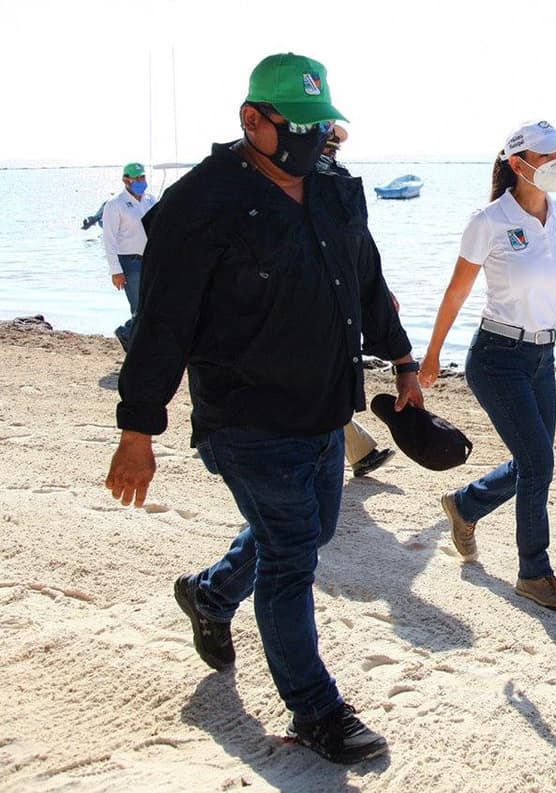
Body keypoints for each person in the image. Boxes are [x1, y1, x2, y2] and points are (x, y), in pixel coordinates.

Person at [105, 53, 422, 764]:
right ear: (252, 119)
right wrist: (138, 429)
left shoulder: (333, 186)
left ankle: (211, 594)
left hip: (325, 405)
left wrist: (403, 360)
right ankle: (316, 710)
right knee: (290, 556)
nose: (313, 139)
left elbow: (366, 279)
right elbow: (163, 325)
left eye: (320, 125)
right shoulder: (201, 202)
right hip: (246, 415)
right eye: (298, 125)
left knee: (312, 530)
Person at [419, 120, 556, 612]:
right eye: (549, 157)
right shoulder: (489, 220)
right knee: (538, 463)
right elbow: (457, 291)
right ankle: (534, 573)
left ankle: (466, 505)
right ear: (519, 164)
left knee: (534, 461)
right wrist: (432, 353)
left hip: (543, 357)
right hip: (496, 358)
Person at [315, 124, 397, 479]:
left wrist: (378, 291)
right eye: (326, 149)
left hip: (332, 308)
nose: (330, 157)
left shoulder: (337, 183)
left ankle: (359, 451)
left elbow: (360, 246)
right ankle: (358, 452)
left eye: (332, 151)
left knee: (325, 384)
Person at [101, 162, 157, 352]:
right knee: (139, 308)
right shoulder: (115, 204)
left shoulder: (150, 200)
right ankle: (135, 343)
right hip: (130, 262)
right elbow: (109, 240)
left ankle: (128, 333)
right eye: (137, 178)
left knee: (153, 304)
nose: (141, 181)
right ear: (126, 180)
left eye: (143, 177)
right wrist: (115, 270)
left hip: (150, 260)